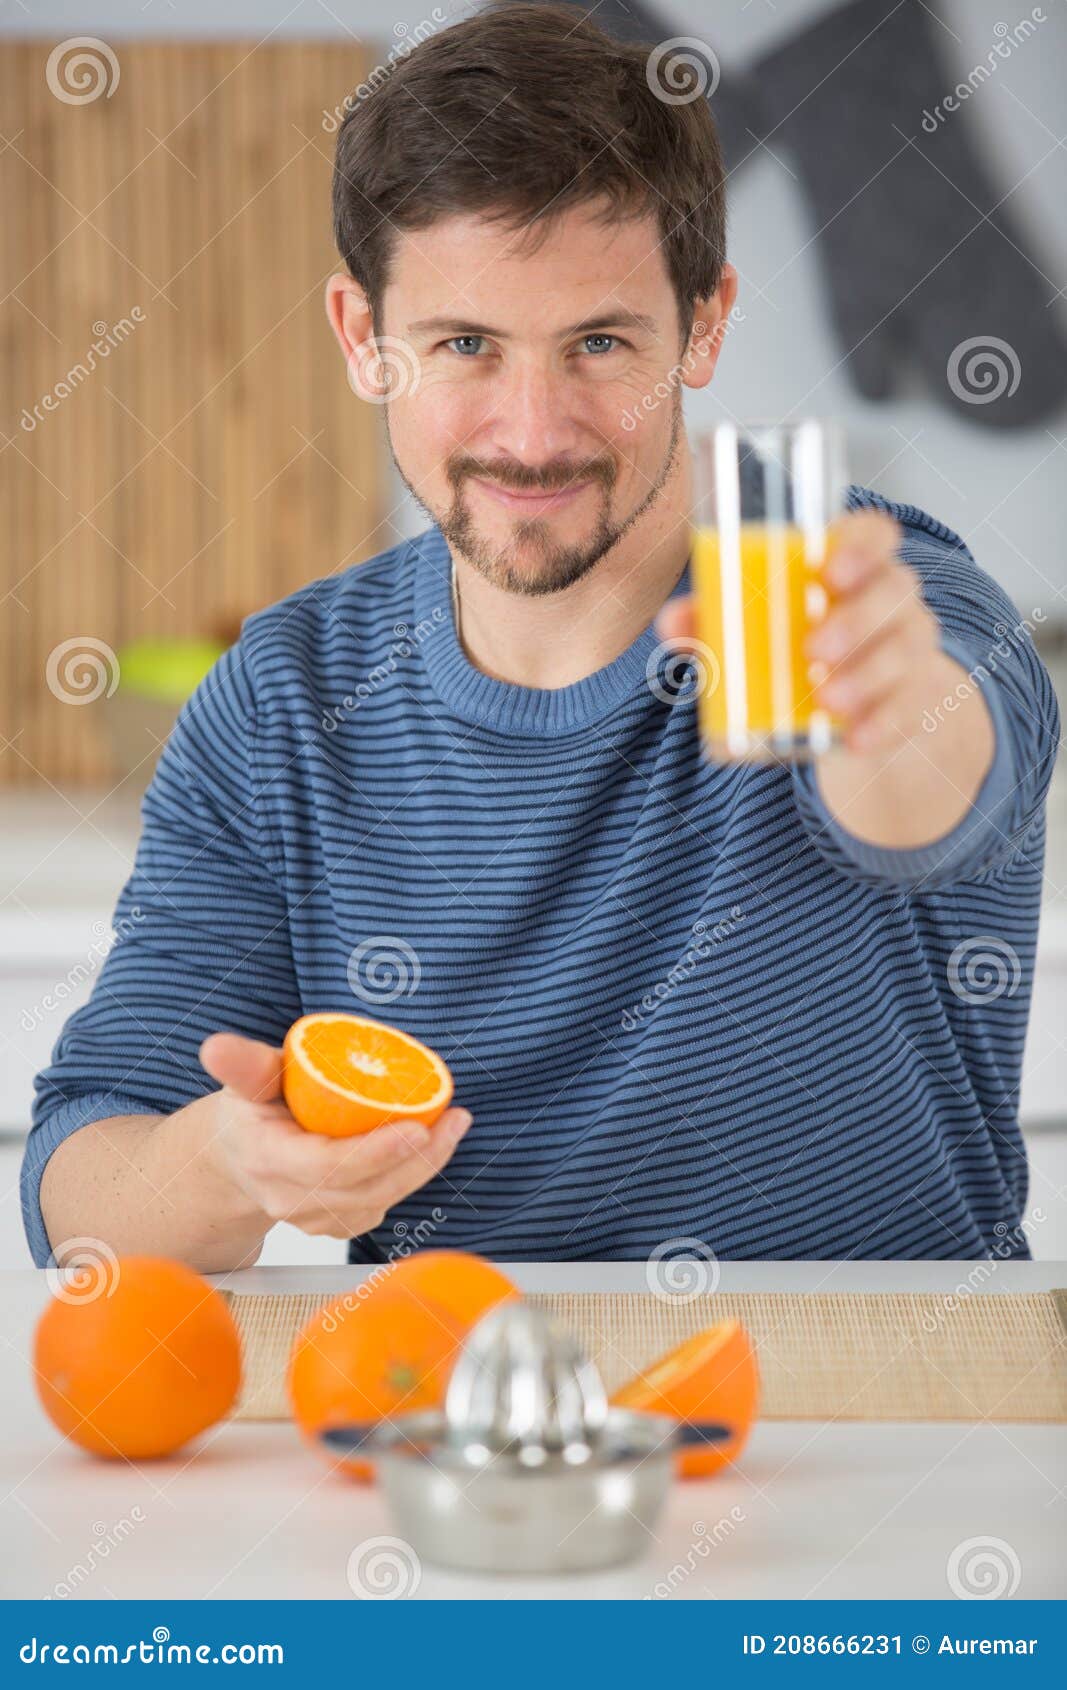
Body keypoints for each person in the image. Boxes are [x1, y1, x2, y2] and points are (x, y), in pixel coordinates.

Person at [23, 4, 1059, 1270]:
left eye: (599, 343)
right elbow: (84, 1174)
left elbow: (915, 790)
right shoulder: (284, 702)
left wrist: (888, 720)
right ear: (365, 340)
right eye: (464, 343)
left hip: (888, 1421)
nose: (531, 431)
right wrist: (225, 1164)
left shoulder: (887, 609)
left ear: (704, 321)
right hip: (460, 1428)